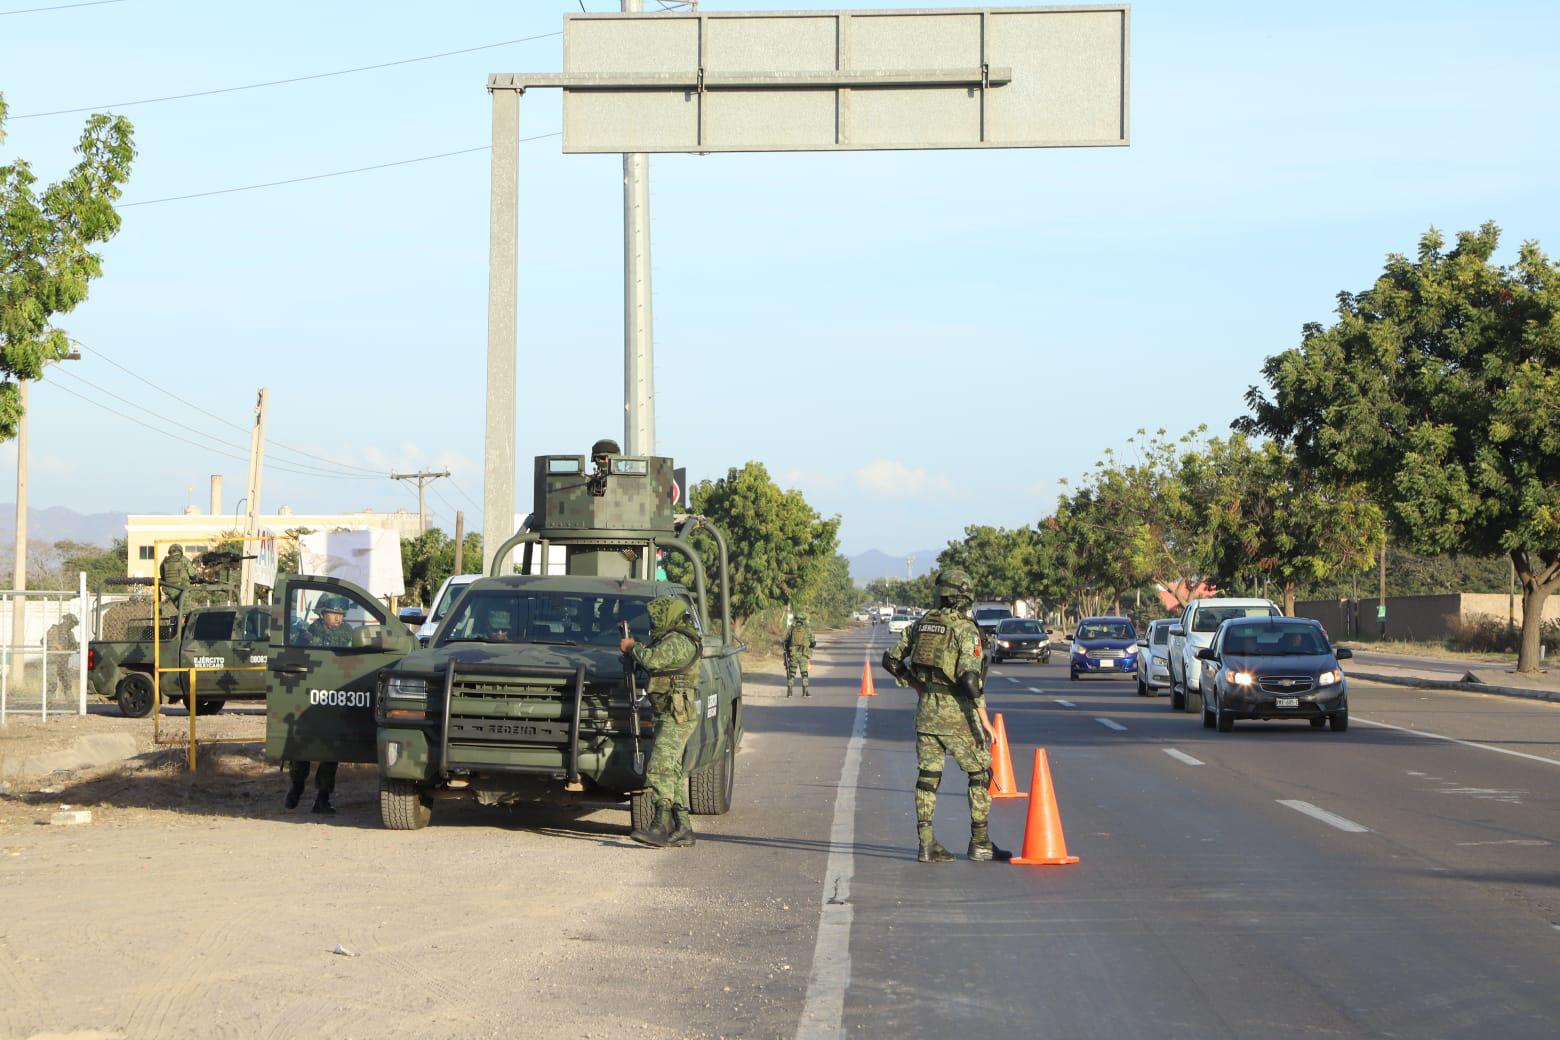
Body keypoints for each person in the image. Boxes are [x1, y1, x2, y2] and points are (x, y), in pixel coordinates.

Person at [882, 568, 1012, 864]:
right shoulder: (965, 629)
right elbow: (969, 679)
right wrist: (983, 718)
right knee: (980, 774)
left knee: (928, 778)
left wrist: (916, 685)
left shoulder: (921, 625)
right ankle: (980, 843)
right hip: (958, 716)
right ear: (964, 596)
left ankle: (926, 844)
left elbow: (889, 659)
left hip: (927, 712)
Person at [619, 595, 702, 848]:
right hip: (668, 713)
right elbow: (658, 659)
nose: (654, 621)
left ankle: (659, 825)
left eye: (657, 616)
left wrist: (632, 648)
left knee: (659, 767)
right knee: (672, 772)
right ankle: (684, 828)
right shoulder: (673, 639)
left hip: (676, 716)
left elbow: (653, 660)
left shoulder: (678, 640)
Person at [285, 593, 353, 813]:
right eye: (334, 613)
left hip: (334, 694)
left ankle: (323, 797)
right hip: (310, 695)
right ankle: (296, 786)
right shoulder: (311, 631)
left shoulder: (347, 632)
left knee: (330, 752)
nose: (338, 618)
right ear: (323, 614)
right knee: (301, 749)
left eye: (341, 614)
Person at [45, 612, 80, 699]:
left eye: (73, 624)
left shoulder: (70, 634)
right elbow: (43, 641)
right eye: (71, 623)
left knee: (67, 684)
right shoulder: (55, 629)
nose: (72, 626)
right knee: (52, 685)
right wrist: (55, 644)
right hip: (52, 662)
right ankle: (47, 707)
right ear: (66, 621)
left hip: (63, 663)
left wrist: (74, 647)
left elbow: (74, 646)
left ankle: (72, 706)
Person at [784, 612, 816, 698]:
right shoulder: (807, 629)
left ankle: (790, 692)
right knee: (804, 673)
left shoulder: (791, 628)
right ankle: (805, 692)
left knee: (792, 673)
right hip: (803, 654)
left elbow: (786, 642)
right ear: (803, 620)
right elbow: (813, 642)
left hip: (793, 654)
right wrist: (809, 647)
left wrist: (788, 652)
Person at [159, 544, 197, 609]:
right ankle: (183, 618)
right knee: (185, 611)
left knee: (181, 609)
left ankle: (181, 618)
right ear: (180, 550)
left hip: (169, 589)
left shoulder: (165, 561)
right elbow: (192, 574)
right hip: (183, 588)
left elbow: (162, 575)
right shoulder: (183, 559)